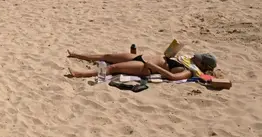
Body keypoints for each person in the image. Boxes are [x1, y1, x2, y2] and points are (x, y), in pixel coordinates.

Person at [66, 49, 217, 81]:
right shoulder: (188, 60)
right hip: (144, 57)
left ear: (202, 64)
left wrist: (154, 66)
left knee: (112, 68)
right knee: (108, 56)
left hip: (147, 67)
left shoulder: (189, 71)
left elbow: (172, 77)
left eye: (198, 59)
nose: (194, 58)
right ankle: (77, 55)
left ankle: (80, 74)